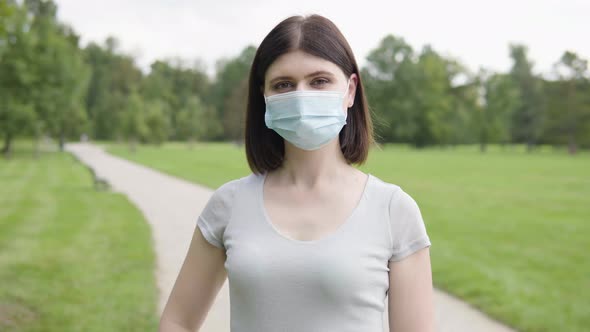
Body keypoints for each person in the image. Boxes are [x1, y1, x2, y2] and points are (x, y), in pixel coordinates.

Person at [159, 14, 434, 332]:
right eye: (283, 85)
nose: (301, 96)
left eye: (319, 81)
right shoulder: (229, 204)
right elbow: (177, 321)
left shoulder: (393, 210)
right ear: (264, 96)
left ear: (350, 89)